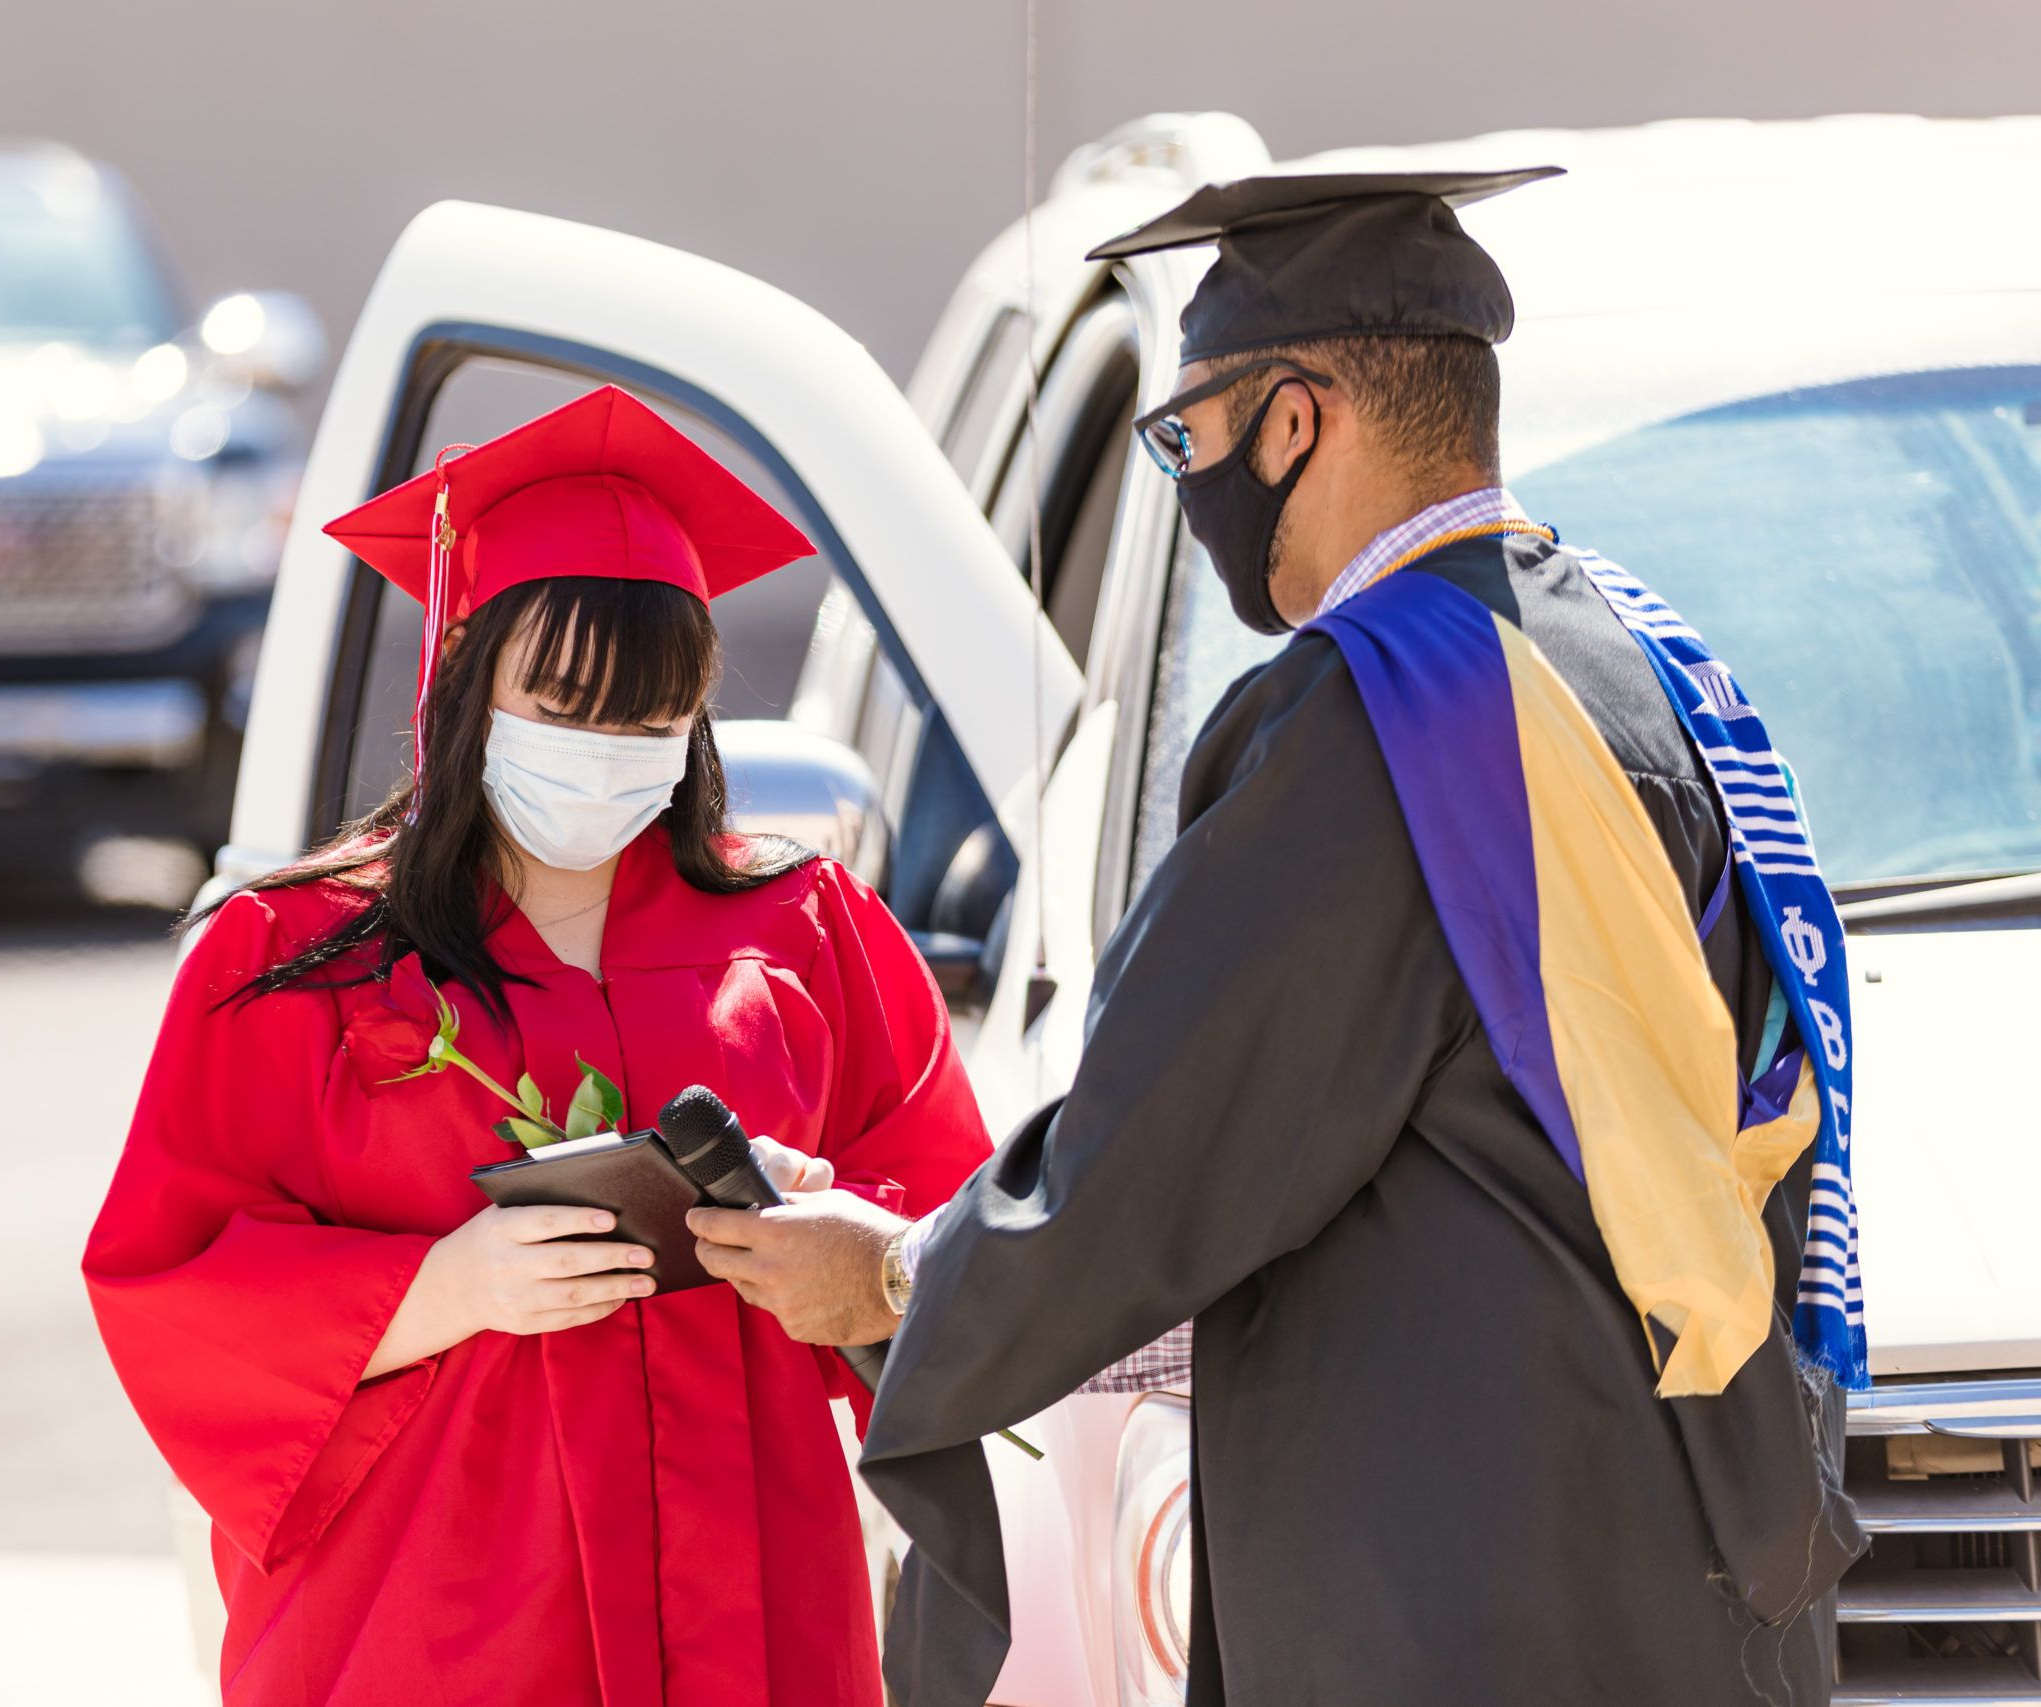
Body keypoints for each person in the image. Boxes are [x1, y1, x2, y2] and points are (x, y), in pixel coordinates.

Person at [691, 170, 1868, 1706]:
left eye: (1188, 435)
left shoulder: (1380, 714)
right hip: (1685, 1549)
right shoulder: (1642, 659)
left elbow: (1160, 1152)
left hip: (1465, 1604)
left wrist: (899, 1279)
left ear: (1295, 421)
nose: (1187, 481)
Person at [82, 386, 994, 1706]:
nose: (605, 749)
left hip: (755, 1614)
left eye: (648, 716)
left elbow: (962, 1233)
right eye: (563, 700)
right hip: (433, 1626)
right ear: (465, 682)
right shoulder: (300, 958)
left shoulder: (807, 934)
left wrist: (834, 1236)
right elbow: (172, 1284)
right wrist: (444, 1288)